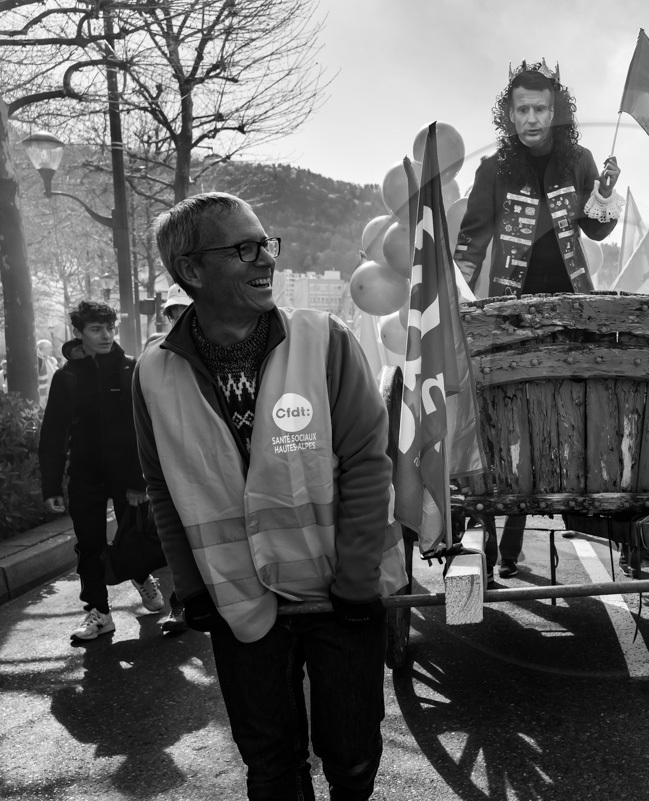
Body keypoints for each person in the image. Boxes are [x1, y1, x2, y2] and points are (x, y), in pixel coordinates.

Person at [134, 192, 406, 800]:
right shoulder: (153, 371)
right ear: (192, 271)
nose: (266, 260)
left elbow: (367, 460)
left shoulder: (325, 340)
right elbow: (163, 484)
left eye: (267, 243)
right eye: (244, 248)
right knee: (270, 763)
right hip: (238, 602)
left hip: (341, 596)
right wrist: (190, 586)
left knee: (353, 755)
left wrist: (359, 579)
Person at [454, 59, 623, 579]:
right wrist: (460, 296)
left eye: (541, 108)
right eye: (522, 108)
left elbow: (596, 230)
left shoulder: (579, 160)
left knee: (566, 402)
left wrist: (606, 189)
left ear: (556, 111)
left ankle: (579, 500)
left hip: (572, 302)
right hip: (508, 307)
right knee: (508, 412)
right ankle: (501, 539)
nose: (532, 117)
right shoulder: (493, 169)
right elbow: (472, 240)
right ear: (509, 113)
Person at [39, 301, 163, 642]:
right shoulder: (67, 378)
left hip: (128, 476)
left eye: (110, 328)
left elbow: (145, 427)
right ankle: (99, 612)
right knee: (90, 545)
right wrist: (51, 487)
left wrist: (139, 480)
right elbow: (53, 433)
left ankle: (142, 577)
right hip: (85, 475)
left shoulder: (130, 368)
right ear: (79, 334)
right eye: (96, 329)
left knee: (135, 539)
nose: (106, 335)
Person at [141, 282, 194, 636]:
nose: (179, 317)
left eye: (183, 310)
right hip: (171, 461)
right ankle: (183, 605)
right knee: (176, 538)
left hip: (206, 461)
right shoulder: (153, 356)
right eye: (174, 312)